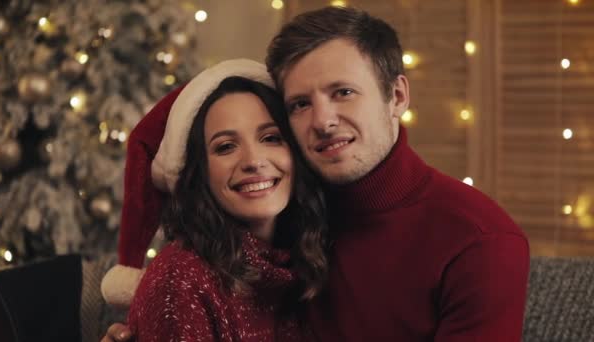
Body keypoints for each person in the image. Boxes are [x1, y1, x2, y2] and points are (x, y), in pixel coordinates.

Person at [103, 6, 529, 342]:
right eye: (300, 104)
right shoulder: (285, 214)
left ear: (396, 95)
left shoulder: (479, 241)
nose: (323, 121)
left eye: (343, 92)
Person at [102, 59, 328, 341]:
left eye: (270, 138)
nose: (254, 161)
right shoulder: (181, 280)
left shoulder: (306, 259)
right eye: (226, 147)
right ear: (200, 172)